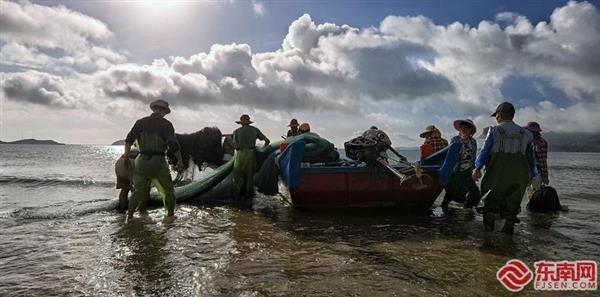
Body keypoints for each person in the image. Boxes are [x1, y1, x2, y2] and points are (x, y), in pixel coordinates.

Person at [473, 102, 537, 234]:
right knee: (513, 200)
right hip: (519, 173)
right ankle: (508, 232)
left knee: (490, 198)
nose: (496, 118)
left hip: (498, 172)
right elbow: (531, 158)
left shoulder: (494, 130)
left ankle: (488, 234)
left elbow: (485, 151)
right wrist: (533, 174)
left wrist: (477, 168)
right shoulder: (526, 133)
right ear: (513, 115)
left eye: (496, 115)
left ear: (499, 115)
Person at [124, 99, 184, 219]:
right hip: (159, 161)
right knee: (169, 191)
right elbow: (173, 144)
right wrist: (180, 161)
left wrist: (126, 157)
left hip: (142, 160)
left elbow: (128, 140)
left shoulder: (140, 122)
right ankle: (170, 216)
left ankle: (129, 216)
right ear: (163, 111)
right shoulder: (166, 124)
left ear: (153, 109)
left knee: (138, 191)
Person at [441, 119, 480, 209]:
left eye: (467, 128)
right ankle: (444, 210)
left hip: (467, 170)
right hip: (455, 171)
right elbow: (450, 156)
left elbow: (473, 157)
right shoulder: (455, 140)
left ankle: (467, 209)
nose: (464, 129)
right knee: (451, 192)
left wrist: (475, 171)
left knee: (474, 192)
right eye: (462, 127)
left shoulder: (473, 142)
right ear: (459, 129)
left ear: (471, 130)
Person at [232, 114, 270, 199]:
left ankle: (237, 196)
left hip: (240, 156)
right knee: (250, 177)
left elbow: (235, 146)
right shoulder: (255, 130)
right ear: (249, 122)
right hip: (251, 155)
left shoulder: (236, 131)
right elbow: (267, 141)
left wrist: (239, 147)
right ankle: (249, 195)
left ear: (241, 123)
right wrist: (262, 149)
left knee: (238, 176)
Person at [523, 122, 549, 191]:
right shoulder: (528, 141)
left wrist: (545, 176)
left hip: (535, 172)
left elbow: (542, 161)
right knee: (532, 195)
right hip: (530, 172)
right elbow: (543, 161)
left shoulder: (540, 143)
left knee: (533, 195)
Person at [114, 148, 139, 212]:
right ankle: (134, 209)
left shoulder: (133, 149)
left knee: (125, 188)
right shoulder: (145, 150)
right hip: (132, 161)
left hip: (120, 162)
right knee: (137, 188)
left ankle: (122, 208)